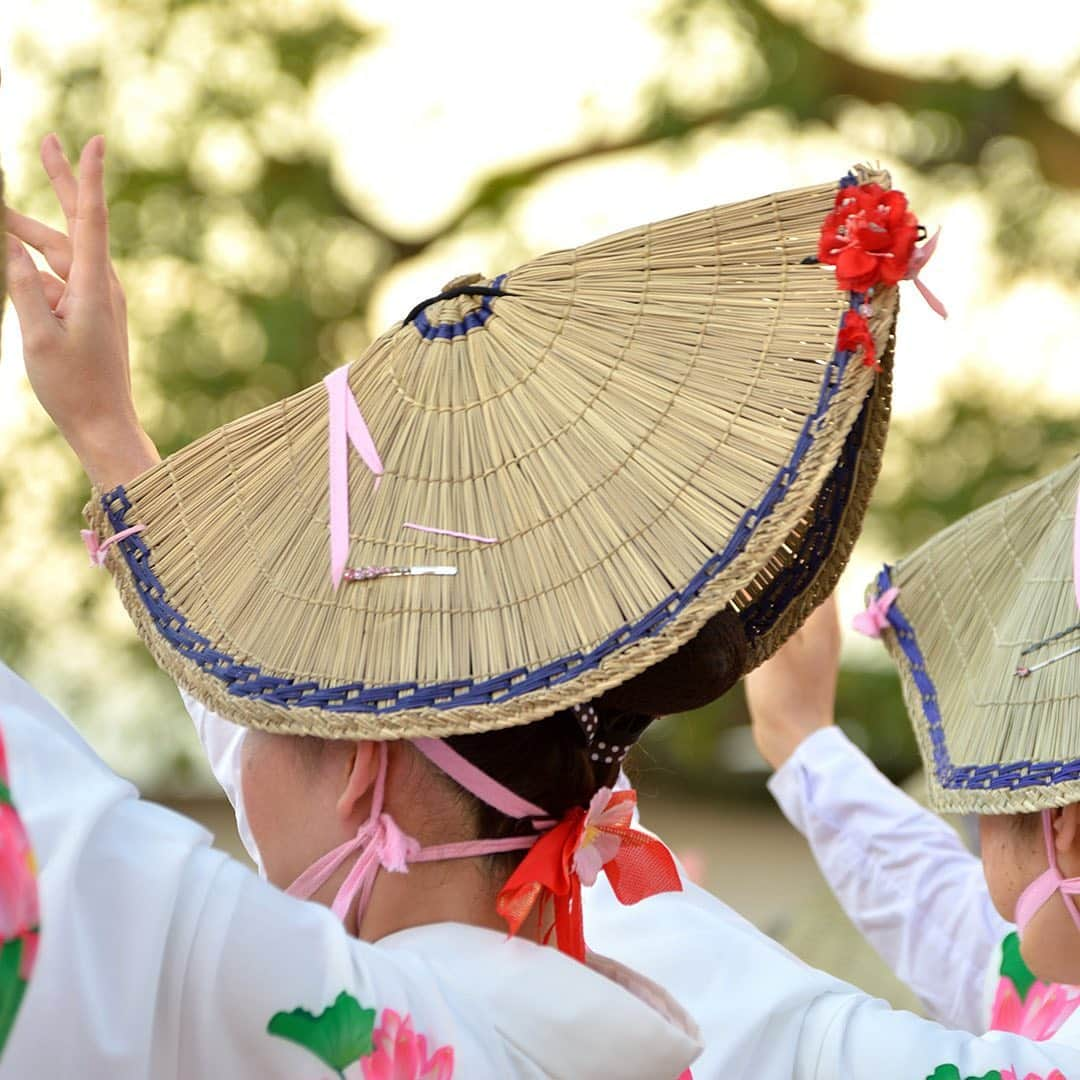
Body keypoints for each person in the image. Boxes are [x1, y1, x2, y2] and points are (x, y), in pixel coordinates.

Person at [7, 134, 1080, 1080]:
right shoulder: (668, 1007)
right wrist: (111, 440)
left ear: (362, 772)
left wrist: (110, 435)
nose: (246, 729)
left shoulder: (331, 1021)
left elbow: (89, 874)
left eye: (277, 704)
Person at [747, 457, 1080, 1051]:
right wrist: (799, 738)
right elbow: (946, 920)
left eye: (985, 791)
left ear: (1064, 822)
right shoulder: (1056, 981)